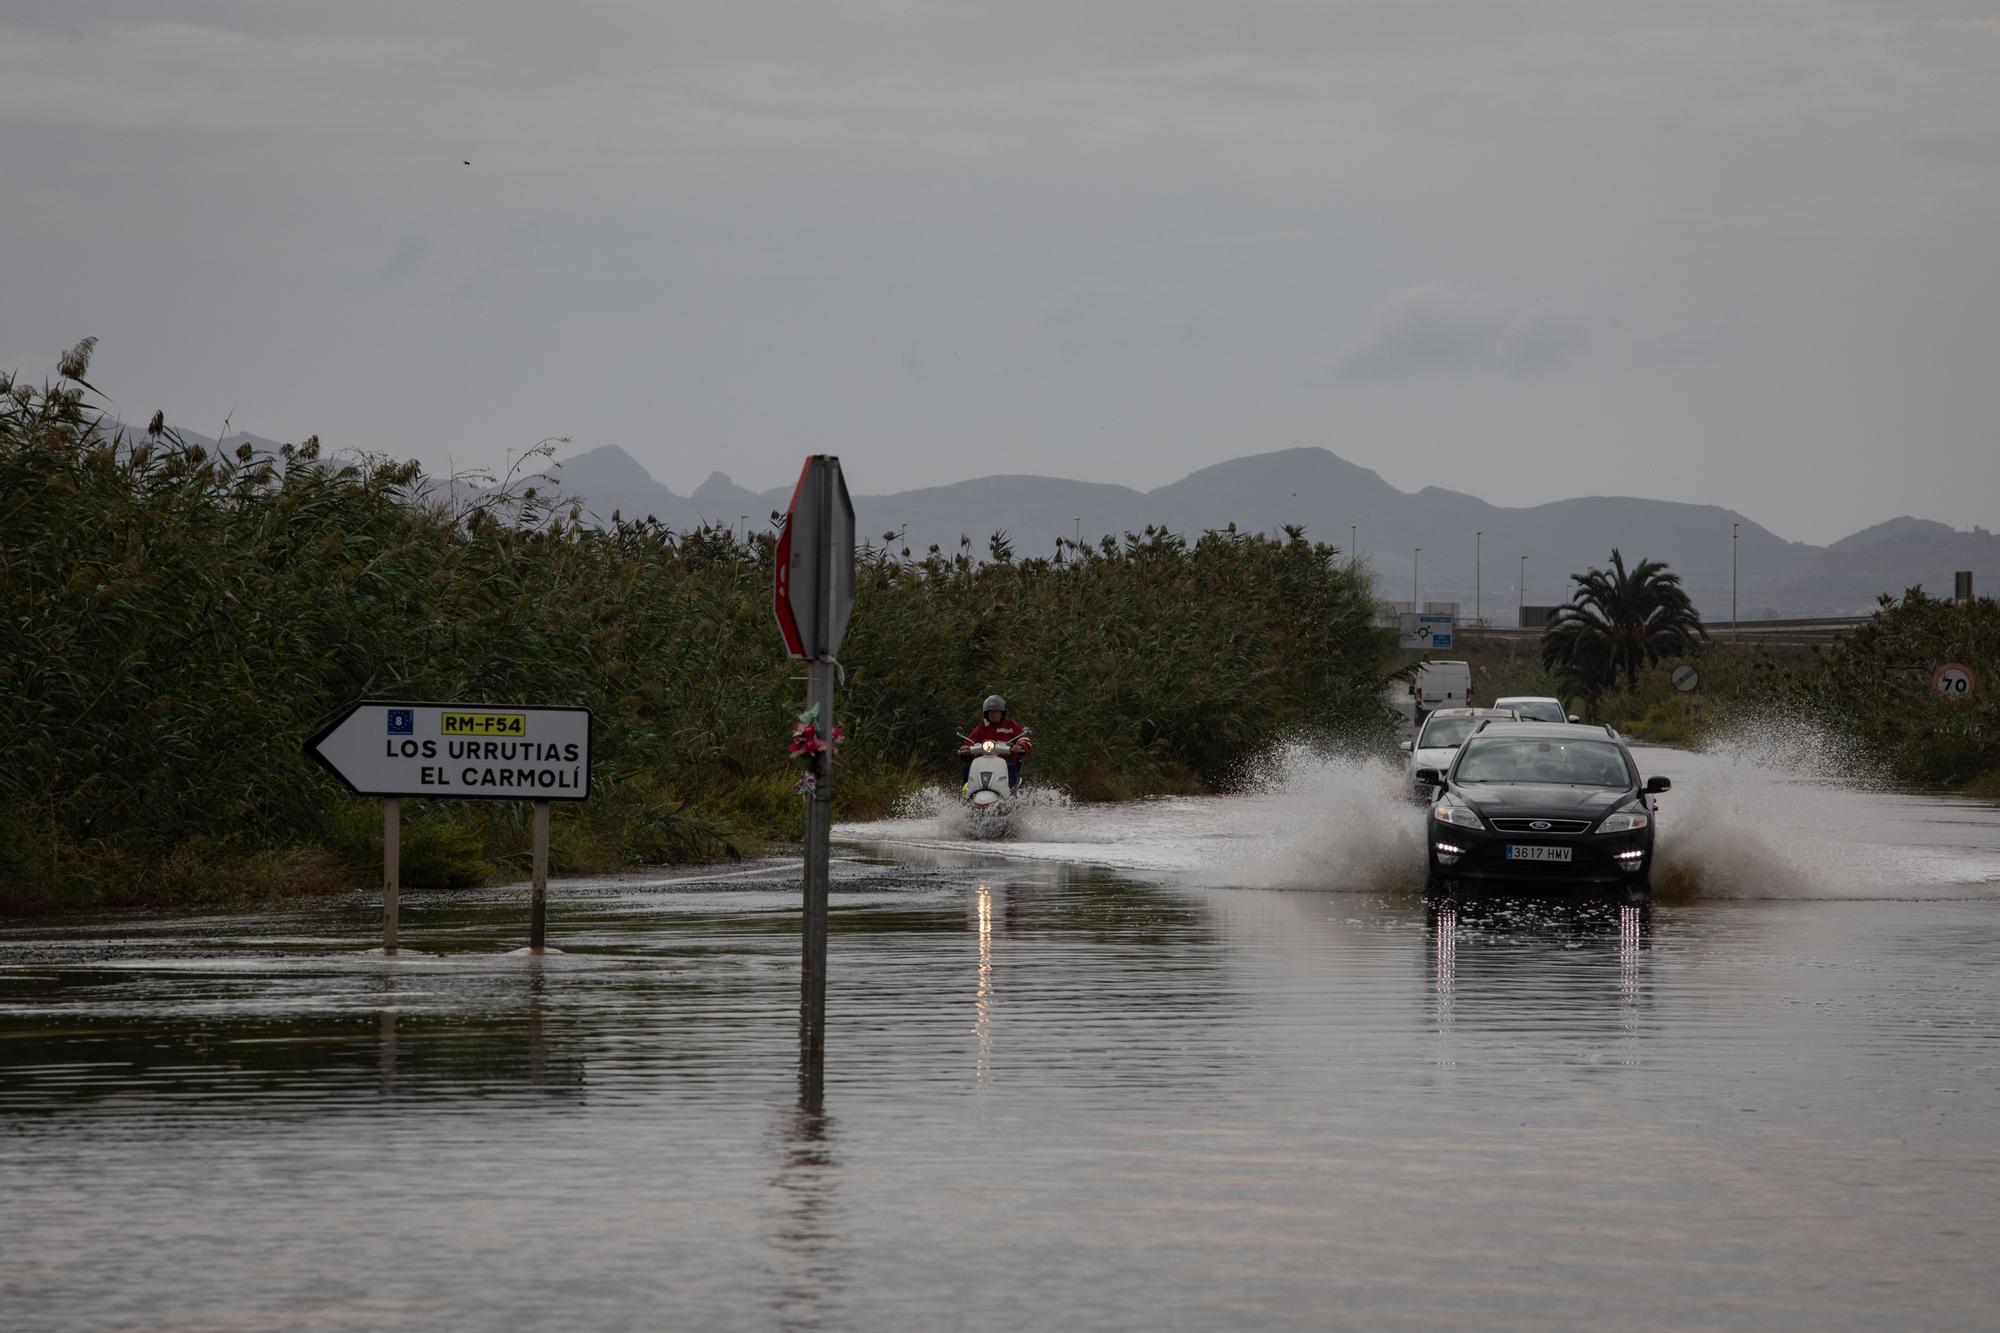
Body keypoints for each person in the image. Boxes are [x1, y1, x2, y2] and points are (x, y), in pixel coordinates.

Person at [963, 694, 1032, 793]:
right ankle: (967, 794)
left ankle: (1011, 796)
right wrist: (965, 748)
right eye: (990, 712)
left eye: (996, 711)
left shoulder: (1011, 725)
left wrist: (1021, 746)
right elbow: (970, 741)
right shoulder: (982, 728)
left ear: (1002, 713)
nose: (993, 714)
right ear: (986, 713)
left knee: (1011, 767)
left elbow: (1023, 739)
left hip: (1006, 761)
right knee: (968, 766)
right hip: (983, 763)